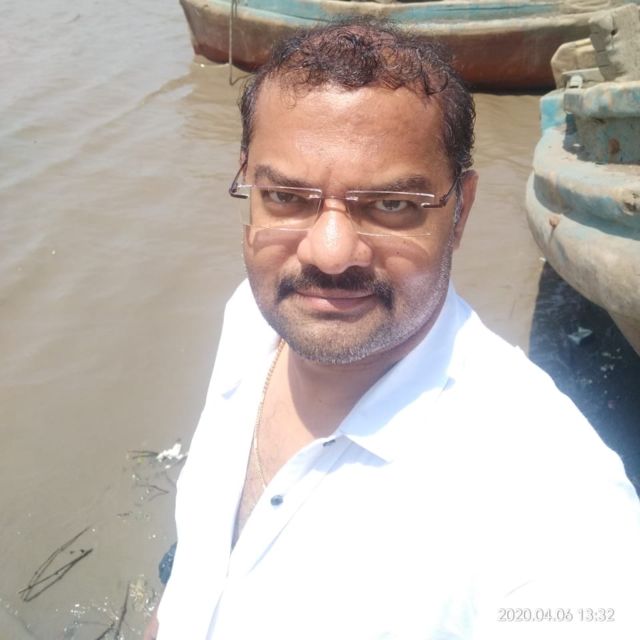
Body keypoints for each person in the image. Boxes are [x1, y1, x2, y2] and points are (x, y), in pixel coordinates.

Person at [149, 19, 640, 640]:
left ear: (460, 212)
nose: (330, 254)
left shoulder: (551, 496)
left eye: (391, 206)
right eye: (287, 197)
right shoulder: (251, 314)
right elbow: (195, 580)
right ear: (250, 186)